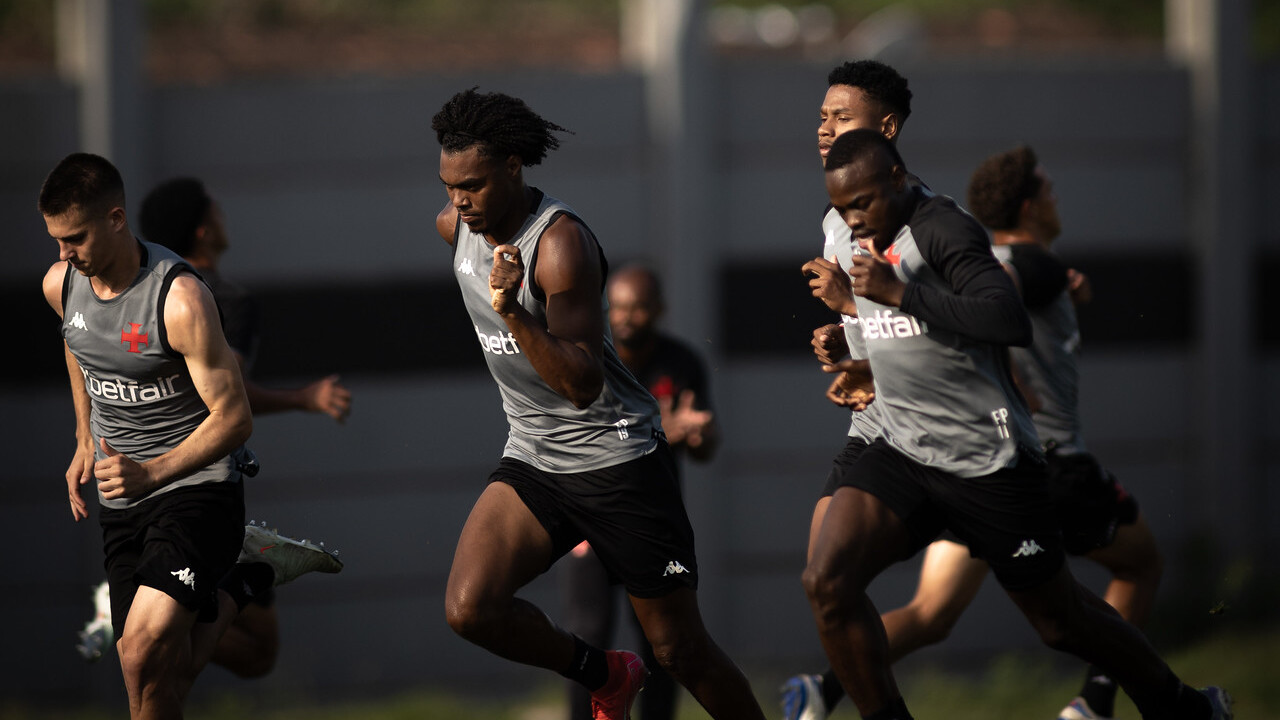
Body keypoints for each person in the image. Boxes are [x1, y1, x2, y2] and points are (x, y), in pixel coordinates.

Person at [799, 129, 1230, 720]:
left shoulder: (942, 228)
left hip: (989, 459)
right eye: (842, 207)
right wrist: (859, 357)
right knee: (827, 582)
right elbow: (912, 337)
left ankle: (1183, 707)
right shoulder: (857, 236)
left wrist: (899, 293)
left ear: (896, 174)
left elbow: (1007, 319)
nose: (853, 220)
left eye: (862, 203)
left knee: (1060, 622)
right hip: (903, 447)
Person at [432, 88, 767, 720]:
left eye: (472, 185)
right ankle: (606, 674)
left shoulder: (561, 244)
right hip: (535, 457)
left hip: (617, 462)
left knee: (679, 649)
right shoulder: (455, 228)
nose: (459, 201)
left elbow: (582, 384)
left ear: (513, 167)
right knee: (470, 609)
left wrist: (514, 313)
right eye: (450, 187)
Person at [39, 152, 332, 719]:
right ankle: (243, 581)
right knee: (154, 677)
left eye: (74, 239)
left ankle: (236, 571)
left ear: (116, 219)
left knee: (140, 652)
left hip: (197, 491)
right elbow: (77, 344)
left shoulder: (180, 300)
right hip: (124, 501)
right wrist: (83, 437)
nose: (63, 255)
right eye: (56, 240)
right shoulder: (61, 285)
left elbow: (236, 418)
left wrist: (150, 472)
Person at [561, 264, 720, 720]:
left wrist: (701, 435)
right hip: (591, 520)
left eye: (639, 308)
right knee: (588, 637)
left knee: (665, 643)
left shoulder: (682, 362)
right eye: (619, 307)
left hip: (654, 524)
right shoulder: (589, 359)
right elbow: (579, 438)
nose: (627, 317)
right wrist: (659, 428)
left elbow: (704, 447)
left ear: (660, 310)